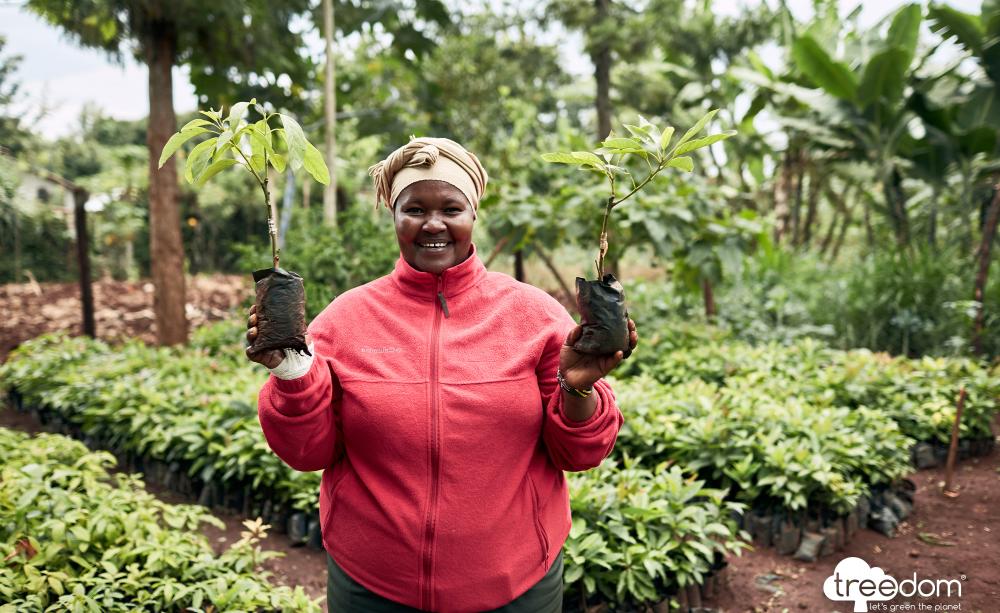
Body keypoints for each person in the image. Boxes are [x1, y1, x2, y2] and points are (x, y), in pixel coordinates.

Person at [246, 137, 637, 613]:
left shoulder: (533, 316)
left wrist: (577, 387)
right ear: (394, 215)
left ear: (473, 214)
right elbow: (307, 452)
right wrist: (293, 373)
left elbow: (579, 453)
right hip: (373, 587)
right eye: (414, 209)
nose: (433, 224)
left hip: (516, 587)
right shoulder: (346, 320)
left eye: (451, 208)